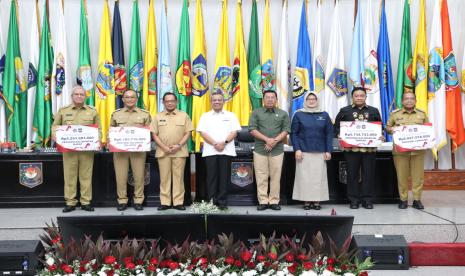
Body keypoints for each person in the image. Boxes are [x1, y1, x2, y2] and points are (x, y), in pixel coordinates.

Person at [52, 86, 100, 212]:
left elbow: (98, 129)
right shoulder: (63, 111)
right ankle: (70, 202)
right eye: (76, 94)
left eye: (82, 94)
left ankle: (85, 202)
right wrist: (59, 139)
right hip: (69, 151)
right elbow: (55, 127)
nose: (79, 96)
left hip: (87, 151)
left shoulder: (92, 111)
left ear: (85, 96)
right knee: (69, 176)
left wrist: (97, 140)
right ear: (72, 96)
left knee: (86, 176)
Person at [334, 87, 383, 209]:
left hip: (369, 150)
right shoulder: (345, 111)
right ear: (352, 97)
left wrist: (380, 135)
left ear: (366, 97)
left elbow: (379, 128)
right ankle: (354, 200)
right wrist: (339, 135)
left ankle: (367, 200)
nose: (359, 98)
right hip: (351, 150)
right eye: (357, 96)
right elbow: (335, 128)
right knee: (352, 175)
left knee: (369, 175)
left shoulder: (374, 111)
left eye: (362, 95)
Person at [197, 91, 241, 210]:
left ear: (224, 101)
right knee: (211, 177)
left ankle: (222, 202)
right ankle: (211, 201)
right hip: (210, 151)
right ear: (211, 102)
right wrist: (215, 144)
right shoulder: (205, 116)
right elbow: (202, 132)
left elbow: (234, 132)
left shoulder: (231, 115)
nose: (217, 102)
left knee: (223, 177)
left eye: (219, 100)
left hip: (226, 151)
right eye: (214, 100)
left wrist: (224, 143)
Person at [110, 90, 151, 211]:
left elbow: (149, 131)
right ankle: (122, 200)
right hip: (120, 150)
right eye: (127, 97)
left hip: (138, 150)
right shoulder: (116, 114)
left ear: (136, 99)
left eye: (132, 97)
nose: (129, 99)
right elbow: (111, 130)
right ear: (122, 99)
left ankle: (138, 200)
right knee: (120, 176)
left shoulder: (145, 114)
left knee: (139, 176)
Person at [249, 90, 291, 211]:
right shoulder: (256, 112)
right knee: (261, 176)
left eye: (272, 97)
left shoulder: (282, 113)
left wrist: (274, 141)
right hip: (260, 150)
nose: (270, 99)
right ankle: (263, 201)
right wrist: (267, 140)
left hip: (277, 150)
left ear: (276, 100)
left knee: (275, 177)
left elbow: (286, 130)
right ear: (263, 99)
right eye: (267, 97)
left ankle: (274, 201)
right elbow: (252, 129)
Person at [291, 92, 333, 210]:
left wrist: (328, 150)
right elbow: (294, 133)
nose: (311, 101)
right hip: (303, 152)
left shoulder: (324, 114)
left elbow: (329, 134)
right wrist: (297, 149)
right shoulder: (299, 114)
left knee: (318, 178)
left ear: (317, 100)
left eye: (313, 99)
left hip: (320, 152)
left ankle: (317, 201)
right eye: (309, 99)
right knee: (305, 178)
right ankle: (306, 201)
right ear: (305, 100)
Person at [386, 92, 428, 209]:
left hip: (418, 151)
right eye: (406, 99)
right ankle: (403, 199)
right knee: (401, 176)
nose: (409, 101)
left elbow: (428, 129)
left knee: (418, 177)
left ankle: (417, 200)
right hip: (400, 151)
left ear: (415, 100)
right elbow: (387, 127)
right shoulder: (395, 114)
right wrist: (392, 129)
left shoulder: (422, 114)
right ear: (402, 101)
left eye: (411, 99)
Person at [151, 92, 193, 211]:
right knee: (164, 178)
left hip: (179, 151)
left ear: (176, 102)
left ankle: (178, 202)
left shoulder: (184, 115)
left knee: (178, 178)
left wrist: (178, 145)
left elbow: (188, 133)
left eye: (172, 101)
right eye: (167, 101)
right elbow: (154, 134)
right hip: (163, 151)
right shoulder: (157, 116)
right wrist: (163, 147)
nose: (170, 103)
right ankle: (165, 202)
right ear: (163, 102)